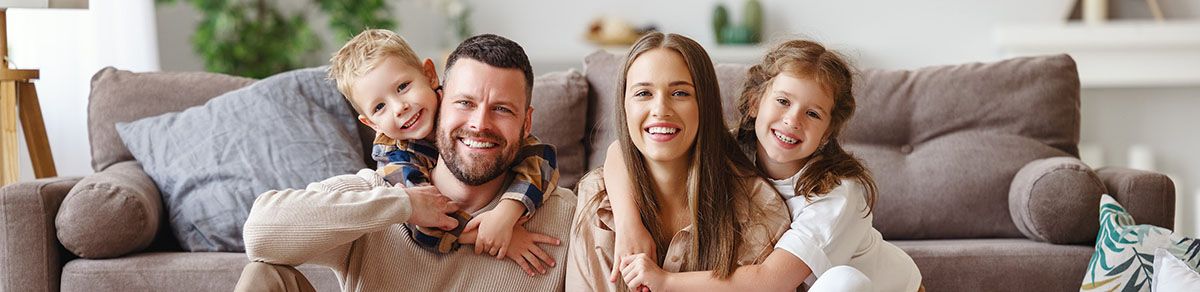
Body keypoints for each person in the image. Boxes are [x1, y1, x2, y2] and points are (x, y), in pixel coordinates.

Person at [234, 34, 577, 292]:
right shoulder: (382, 191)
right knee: (263, 276)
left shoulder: (566, 216)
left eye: (502, 109)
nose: (479, 123)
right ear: (444, 103)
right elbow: (261, 236)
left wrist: (510, 210)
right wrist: (403, 205)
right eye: (465, 103)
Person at [611, 39, 923, 292]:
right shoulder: (735, 150)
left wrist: (665, 282)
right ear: (755, 103)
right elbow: (619, 152)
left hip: (877, 287)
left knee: (843, 281)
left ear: (827, 132)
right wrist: (629, 224)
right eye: (783, 101)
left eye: (812, 114)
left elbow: (772, 281)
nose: (792, 120)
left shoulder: (837, 193)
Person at [565, 32, 791, 292]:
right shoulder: (598, 197)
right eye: (643, 93)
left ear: (704, 105)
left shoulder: (758, 206)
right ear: (624, 106)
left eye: (681, 93)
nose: (660, 109)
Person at [327, 29, 560, 257]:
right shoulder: (394, 156)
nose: (400, 108)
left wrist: (508, 212)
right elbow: (426, 219)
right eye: (380, 107)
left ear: (429, 75)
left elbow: (542, 158)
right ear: (371, 123)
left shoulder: (458, 100)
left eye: (403, 87)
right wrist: (489, 235)